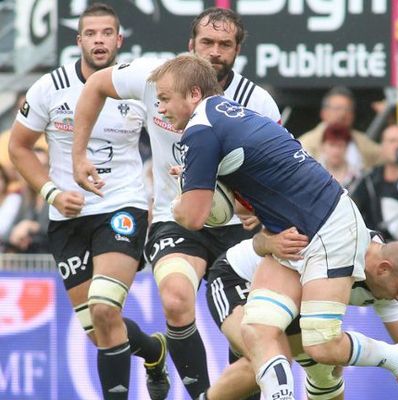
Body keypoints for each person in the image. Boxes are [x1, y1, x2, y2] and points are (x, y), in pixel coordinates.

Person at [147, 54, 398, 400]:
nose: (159, 109)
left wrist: (180, 198)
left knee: (322, 348)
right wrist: (203, 187)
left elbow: (193, 217)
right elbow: (242, 201)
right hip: (296, 232)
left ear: (193, 94)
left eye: (164, 99)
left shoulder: (200, 129)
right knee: (259, 329)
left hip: (327, 228)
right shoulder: (227, 112)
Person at [72, 8, 281, 400]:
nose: (214, 52)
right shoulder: (154, 78)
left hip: (238, 229)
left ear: (237, 51)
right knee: (175, 298)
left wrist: (259, 207)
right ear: (191, 44)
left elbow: (280, 166)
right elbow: (97, 84)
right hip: (177, 220)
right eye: (207, 42)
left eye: (225, 45)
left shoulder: (258, 102)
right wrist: (78, 155)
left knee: (249, 331)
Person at [8, 3, 169, 400]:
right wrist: (52, 194)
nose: (99, 40)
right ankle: (153, 349)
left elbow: (170, 135)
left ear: (119, 39)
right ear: (78, 40)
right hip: (67, 217)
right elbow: (19, 147)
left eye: (106, 33)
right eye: (91, 33)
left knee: (104, 306)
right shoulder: (49, 87)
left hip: (122, 207)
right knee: (99, 330)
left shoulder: (139, 84)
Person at [202, 228, 398, 400]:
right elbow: (275, 232)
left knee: (327, 371)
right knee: (266, 356)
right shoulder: (340, 240)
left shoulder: (384, 280)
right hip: (238, 279)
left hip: (294, 305)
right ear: (384, 269)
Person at [300, 86, 381, 172]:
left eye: (347, 109)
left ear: (353, 115)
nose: (342, 114)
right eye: (337, 109)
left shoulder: (364, 144)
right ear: (323, 113)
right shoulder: (304, 145)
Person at [318, 123, 361, 190]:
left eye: (340, 145)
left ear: (346, 147)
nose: (336, 151)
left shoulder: (357, 175)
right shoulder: (315, 173)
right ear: (323, 146)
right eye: (332, 145)